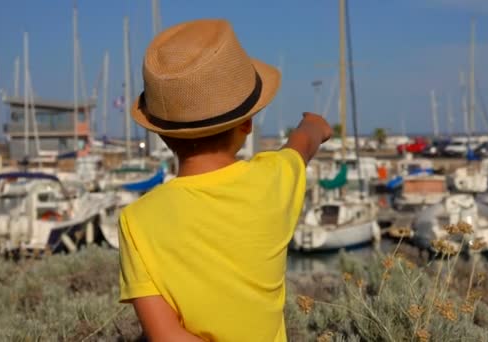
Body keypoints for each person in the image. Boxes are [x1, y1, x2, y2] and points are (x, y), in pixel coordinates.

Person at [119, 19, 332, 341]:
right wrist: (314, 124)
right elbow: (305, 142)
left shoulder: (136, 221)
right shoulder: (273, 178)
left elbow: (164, 335)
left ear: (162, 135)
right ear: (246, 124)